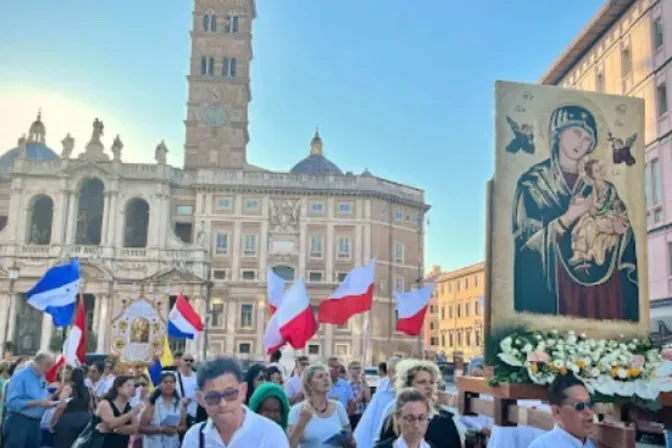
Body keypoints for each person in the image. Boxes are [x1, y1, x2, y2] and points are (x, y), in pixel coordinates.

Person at [512, 104, 639, 322]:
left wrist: (620, 230)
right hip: (555, 289)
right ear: (557, 133)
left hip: (602, 292)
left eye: (588, 139)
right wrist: (568, 217)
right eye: (577, 133)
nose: (582, 143)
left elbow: (626, 234)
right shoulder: (533, 183)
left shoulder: (603, 187)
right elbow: (524, 247)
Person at [181, 356, 288, 447]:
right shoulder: (195, 437)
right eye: (213, 397)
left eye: (230, 394)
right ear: (200, 399)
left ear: (242, 391)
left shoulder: (270, 434)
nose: (223, 404)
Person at [376, 359, 461, 447]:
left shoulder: (445, 421)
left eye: (431, 382)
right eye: (422, 382)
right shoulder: (393, 414)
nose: (429, 387)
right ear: (408, 385)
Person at [288, 363, 355, 448]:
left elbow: (352, 442)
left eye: (327, 375)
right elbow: (289, 445)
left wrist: (348, 441)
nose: (326, 379)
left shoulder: (338, 407)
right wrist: (302, 422)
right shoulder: (297, 410)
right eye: (320, 376)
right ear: (309, 385)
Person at [3, 352, 59, 448]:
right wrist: (38, 403)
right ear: (38, 362)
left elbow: (41, 397)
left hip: (35, 424)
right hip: (19, 422)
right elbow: (11, 402)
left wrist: (48, 403)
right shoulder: (20, 376)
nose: (49, 369)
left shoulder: (42, 378)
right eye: (48, 365)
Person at [528, 374, 596, 447]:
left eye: (590, 404)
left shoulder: (592, 444)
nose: (588, 412)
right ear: (556, 412)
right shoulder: (541, 446)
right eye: (579, 406)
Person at [354, 356, 401, 448]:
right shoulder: (382, 388)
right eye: (391, 371)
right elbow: (371, 415)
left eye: (396, 371)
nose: (394, 375)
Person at [139, 371, 185, 448]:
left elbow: (183, 427)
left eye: (171, 382)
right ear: (160, 385)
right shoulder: (152, 404)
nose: (169, 384)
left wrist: (176, 429)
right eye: (165, 382)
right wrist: (161, 430)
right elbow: (141, 428)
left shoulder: (180, 404)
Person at [50, 366, 93, 448]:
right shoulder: (88, 390)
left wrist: (52, 421)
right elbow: (91, 406)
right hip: (85, 419)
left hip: (68, 420)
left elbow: (61, 406)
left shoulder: (68, 389)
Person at [96, 375, 141, 448]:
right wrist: (130, 414)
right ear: (118, 388)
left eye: (134, 386)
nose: (132, 388)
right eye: (128, 385)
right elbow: (112, 423)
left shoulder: (128, 407)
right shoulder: (105, 403)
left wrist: (114, 430)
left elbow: (134, 428)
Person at [174, 351, 200, 429]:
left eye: (191, 360)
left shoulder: (198, 377)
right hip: (177, 417)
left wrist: (192, 399)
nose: (188, 362)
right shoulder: (173, 377)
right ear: (180, 361)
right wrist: (179, 400)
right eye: (186, 360)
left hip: (194, 417)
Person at [347, 360, 370, 430]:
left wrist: (364, 382)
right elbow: (354, 400)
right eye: (355, 368)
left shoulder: (363, 383)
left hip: (363, 414)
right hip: (352, 415)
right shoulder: (347, 385)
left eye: (359, 368)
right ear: (349, 370)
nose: (358, 370)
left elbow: (368, 398)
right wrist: (360, 394)